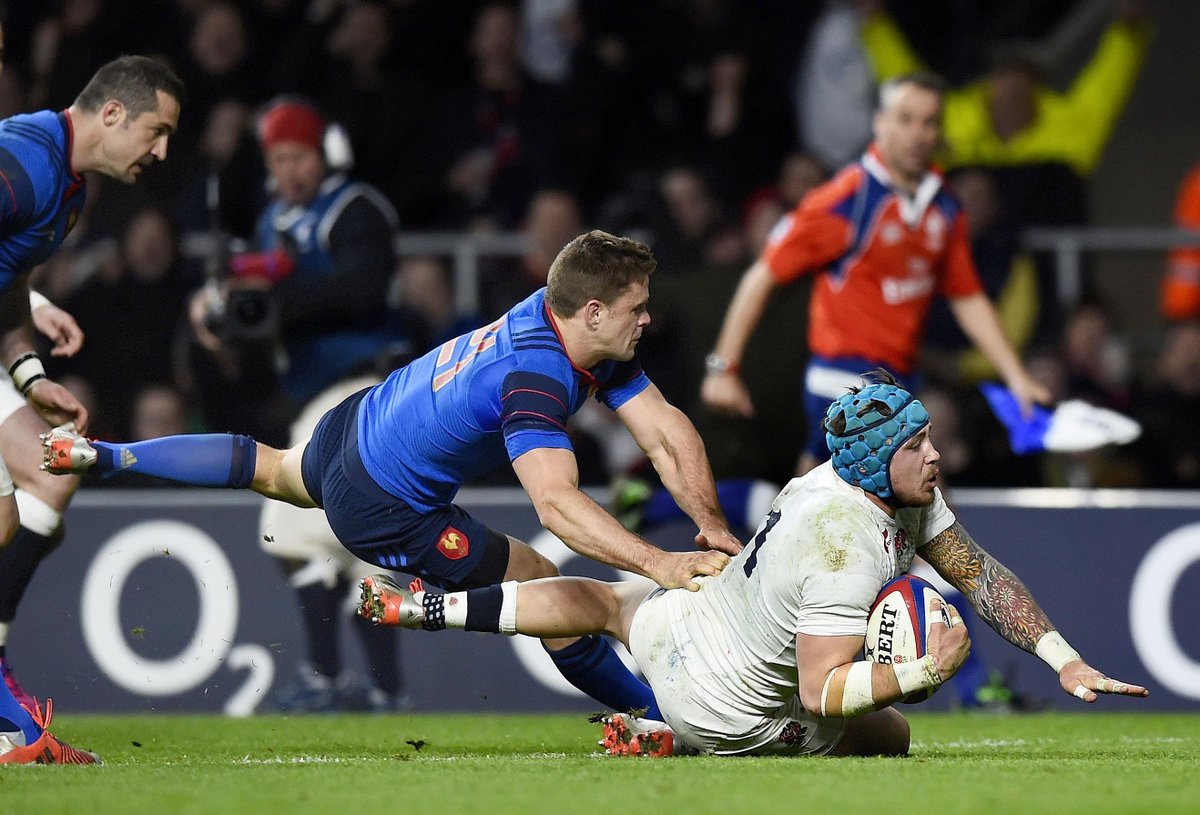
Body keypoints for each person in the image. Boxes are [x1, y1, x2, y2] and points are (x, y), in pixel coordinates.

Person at [43, 230, 740, 722]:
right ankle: (657, 716)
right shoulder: (534, 376)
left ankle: (106, 454)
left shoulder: (564, 320)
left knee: (270, 467)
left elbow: (665, 430)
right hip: (384, 502)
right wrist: (660, 562)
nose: (647, 318)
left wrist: (709, 525)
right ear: (592, 311)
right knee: (537, 578)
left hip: (359, 423)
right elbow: (556, 505)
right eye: (635, 308)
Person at [361, 372, 1148, 757]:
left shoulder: (861, 480)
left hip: (696, 624)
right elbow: (819, 691)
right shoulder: (842, 544)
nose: (935, 454)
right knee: (892, 734)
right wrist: (923, 670)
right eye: (918, 444)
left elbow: (977, 572)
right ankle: (677, 736)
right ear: (881, 460)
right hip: (732, 709)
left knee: (608, 603)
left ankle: (427, 607)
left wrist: (1063, 657)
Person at [701, 71, 1050, 475]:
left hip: (901, 378)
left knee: (829, 492)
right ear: (880, 122)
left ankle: (779, 515)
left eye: (928, 122)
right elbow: (762, 276)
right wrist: (722, 369)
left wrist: (1015, 375)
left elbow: (966, 296)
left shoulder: (943, 206)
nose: (917, 134)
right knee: (916, 486)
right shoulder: (846, 199)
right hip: (844, 376)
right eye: (906, 119)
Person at [0, 53, 183, 766]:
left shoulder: (66, 187)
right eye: (157, 131)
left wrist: (27, 372)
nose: (161, 152)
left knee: (47, 477)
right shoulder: (24, 162)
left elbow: (7, 284)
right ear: (112, 113)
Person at [190, 97, 401, 414]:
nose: (289, 171)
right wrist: (218, 300)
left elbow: (362, 290)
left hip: (365, 372)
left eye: (299, 157)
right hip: (303, 382)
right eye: (279, 159)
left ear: (326, 154)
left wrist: (277, 295)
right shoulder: (272, 218)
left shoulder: (355, 208)